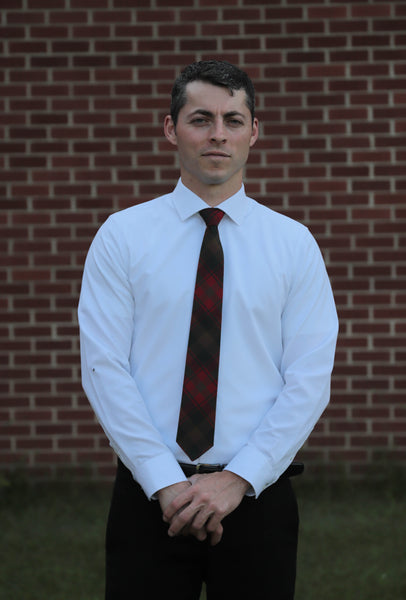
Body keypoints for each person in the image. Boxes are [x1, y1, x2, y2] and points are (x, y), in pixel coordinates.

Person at [78, 60, 338, 599]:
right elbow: (105, 369)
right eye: (201, 119)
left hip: (257, 498)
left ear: (253, 132)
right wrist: (165, 482)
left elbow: (308, 379)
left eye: (233, 120)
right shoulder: (122, 237)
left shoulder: (293, 245)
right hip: (148, 497)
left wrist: (238, 479)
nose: (218, 134)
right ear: (171, 128)